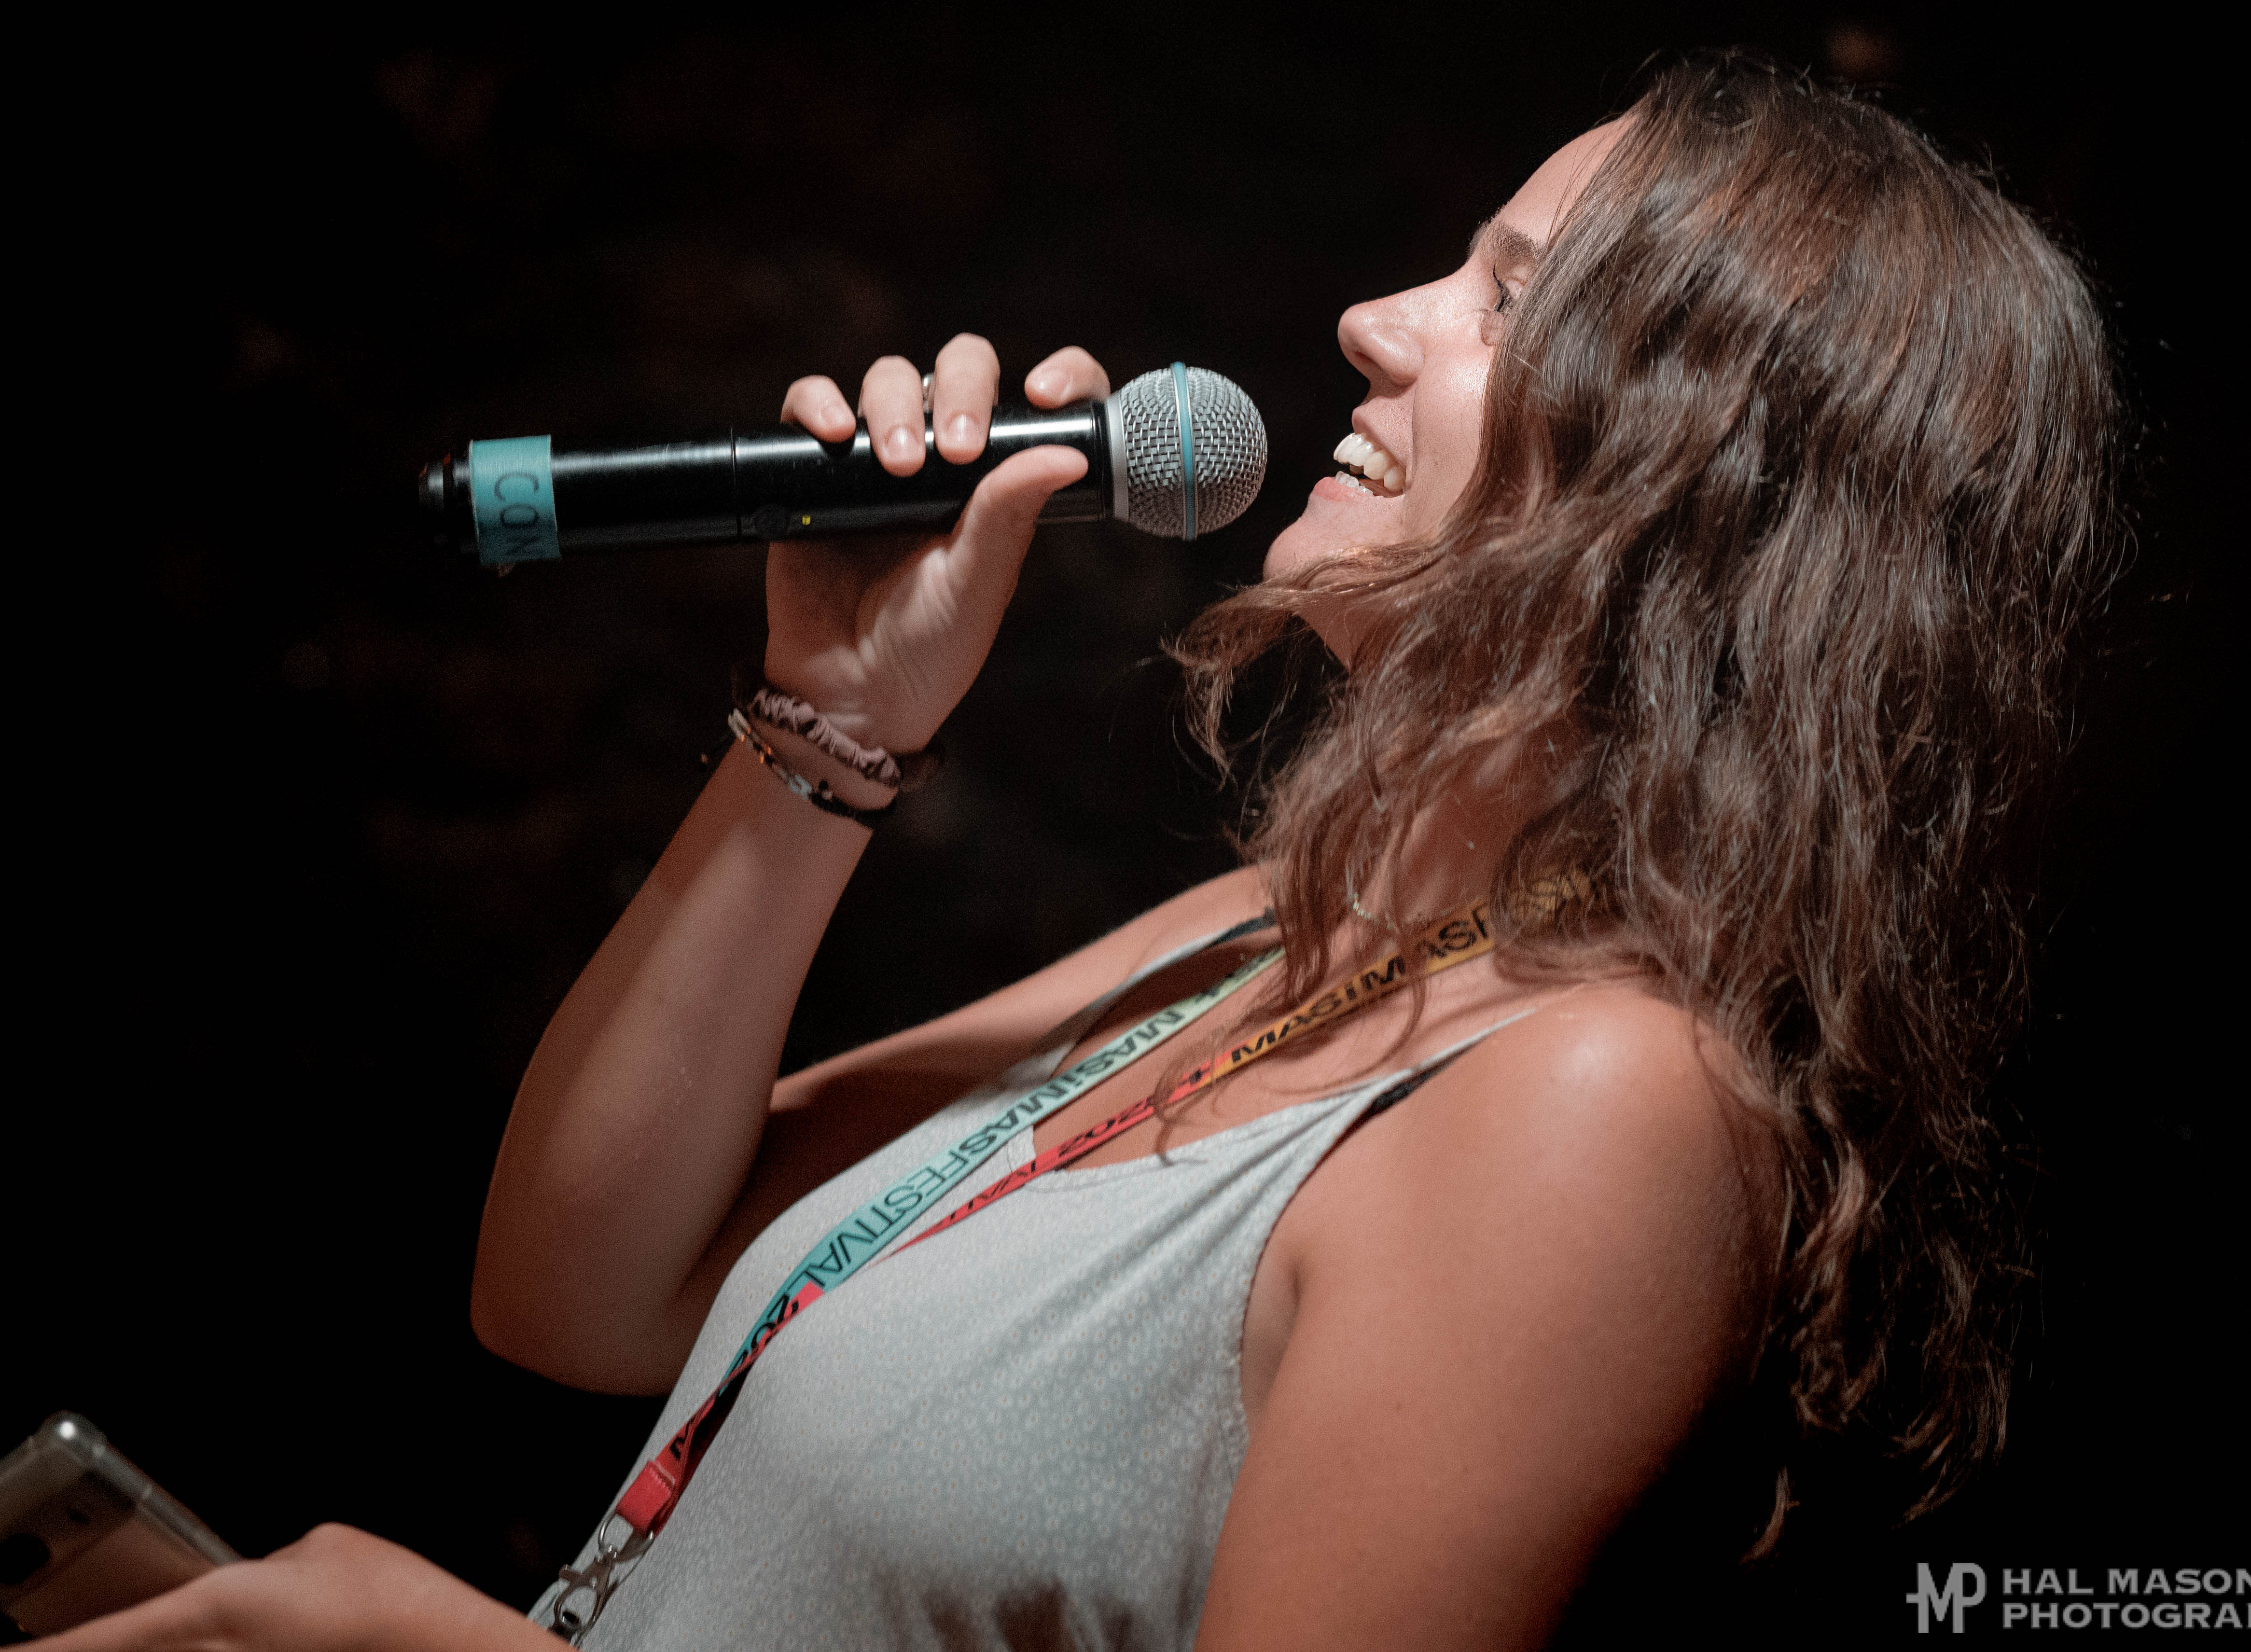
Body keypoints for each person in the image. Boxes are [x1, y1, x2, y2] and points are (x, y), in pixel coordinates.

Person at [48, 55, 2117, 1652]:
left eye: (1508, 298)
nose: (1375, 320)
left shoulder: (1598, 1103)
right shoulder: (1258, 936)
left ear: (1707, 483)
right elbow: (572, 1293)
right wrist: (831, 719)